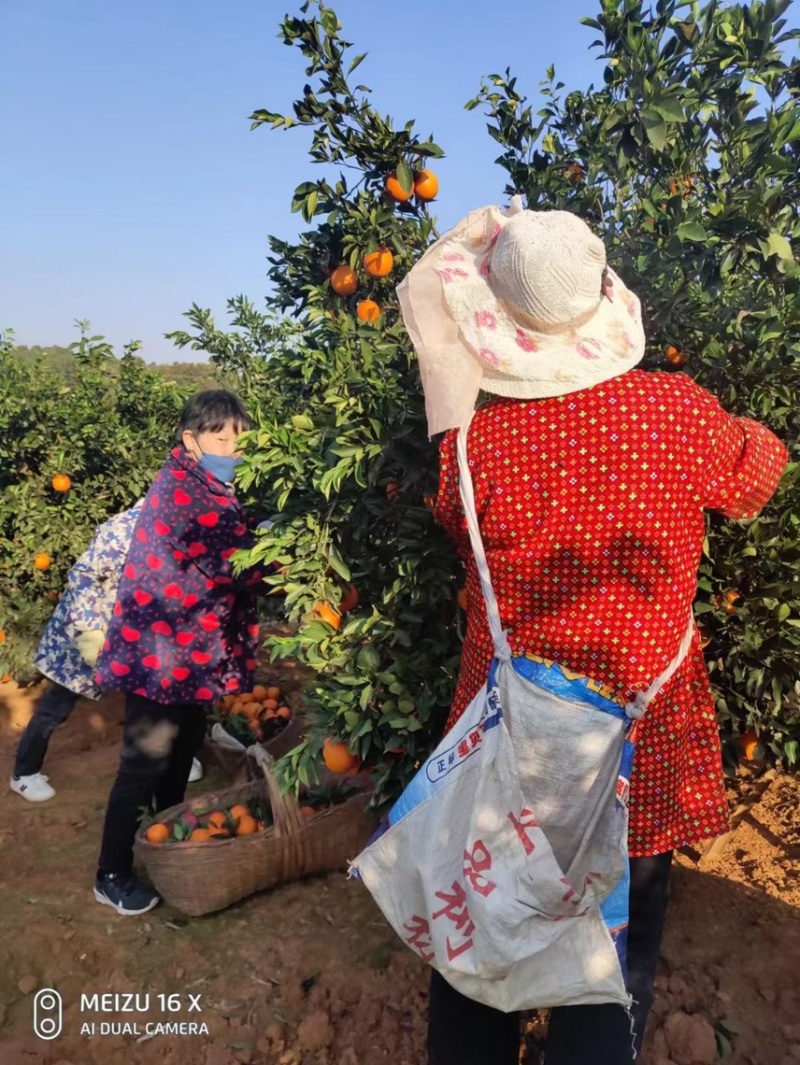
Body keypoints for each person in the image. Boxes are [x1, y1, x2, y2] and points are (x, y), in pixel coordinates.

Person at [397, 200, 788, 1064]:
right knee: (613, 946)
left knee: (482, 933)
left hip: (508, 738)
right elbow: (761, 469)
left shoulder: (471, 443)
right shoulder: (678, 414)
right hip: (635, 734)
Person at [93, 390, 264, 916]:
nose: (232, 447)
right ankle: (111, 873)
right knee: (144, 761)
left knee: (185, 741)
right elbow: (240, 565)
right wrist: (299, 552)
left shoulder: (209, 483)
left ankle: (164, 837)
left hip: (189, 652)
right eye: (220, 437)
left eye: (239, 436)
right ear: (190, 440)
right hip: (160, 656)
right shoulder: (184, 493)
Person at [8, 504, 205, 803]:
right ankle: (23, 773)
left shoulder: (182, 529)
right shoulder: (124, 529)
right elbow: (84, 577)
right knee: (56, 706)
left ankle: (175, 758)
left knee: (152, 700)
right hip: (88, 631)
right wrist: (91, 633)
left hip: (134, 633)